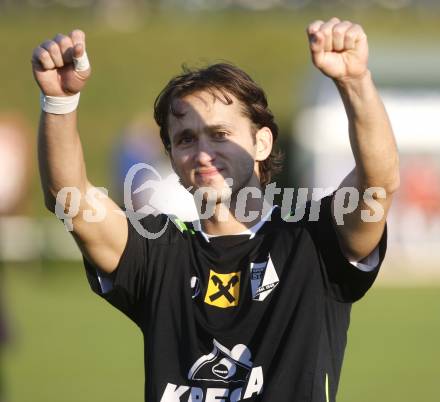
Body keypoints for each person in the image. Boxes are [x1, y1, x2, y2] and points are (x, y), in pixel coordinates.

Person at [31, 18, 399, 402]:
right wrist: (60, 101)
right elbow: (69, 199)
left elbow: (379, 185)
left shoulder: (313, 239)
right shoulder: (158, 249)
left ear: (261, 143)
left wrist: (354, 81)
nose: (204, 153)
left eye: (220, 134)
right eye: (186, 139)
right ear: (172, 158)